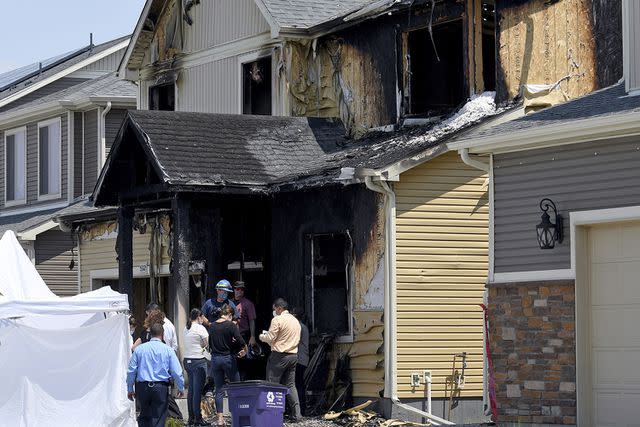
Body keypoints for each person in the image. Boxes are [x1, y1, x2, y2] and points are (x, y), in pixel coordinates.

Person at [127, 322, 185, 427]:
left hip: (143, 387)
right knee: (159, 418)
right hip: (160, 387)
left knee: (144, 416)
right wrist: (180, 387)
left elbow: (131, 370)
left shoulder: (139, 349)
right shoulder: (168, 350)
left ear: (150, 334)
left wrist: (130, 389)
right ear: (162, 335)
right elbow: (177, 371)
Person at [259, 298, 302, 422]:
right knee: (291, 386)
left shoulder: (277, 319)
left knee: (272, 385)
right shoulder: (295, 321)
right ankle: (297, 414)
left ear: (279, 308)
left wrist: (262, 337)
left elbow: (271, 338)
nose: (274, 311)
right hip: (293, 356)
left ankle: (273, 415)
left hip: (279, 356)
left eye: (274, 309)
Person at [209, 304, 247, 427]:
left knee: (218, 389)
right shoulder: (231, 325)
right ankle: (237, 414)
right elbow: (240, 341)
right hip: (228, 359)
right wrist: (244, 350)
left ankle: (220, 419)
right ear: (229, 315)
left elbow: (210, 343)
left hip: (215, 359)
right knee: (236, 386)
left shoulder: (212, 326)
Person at [182, 308, 210, 427]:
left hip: (187, 360)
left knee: (191, 391)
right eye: (202, 317)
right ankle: (198, 419)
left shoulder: (186, 327)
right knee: (197, 392)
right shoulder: (200, 328)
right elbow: (205, 343)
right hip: (198, 360)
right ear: (199, 316)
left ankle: (191, 418)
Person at [232, 281, 257, 380]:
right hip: (231, 335)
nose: (240, 291)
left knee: (245, 359)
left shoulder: (248, 304)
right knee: (233, 360)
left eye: (242, 289)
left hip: (244, 335)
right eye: (238, 289)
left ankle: (245, 382)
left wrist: (253, 336)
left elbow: (252, 320)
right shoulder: (229, 303)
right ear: (234, 290)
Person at [291, 307, 309, 416]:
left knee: (296, 384)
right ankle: (302, 409)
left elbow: (294, 342)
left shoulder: (298, 327)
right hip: (303, 359)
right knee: (299, 384)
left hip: (298, 358)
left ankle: (299, 410)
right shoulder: (304, 327)